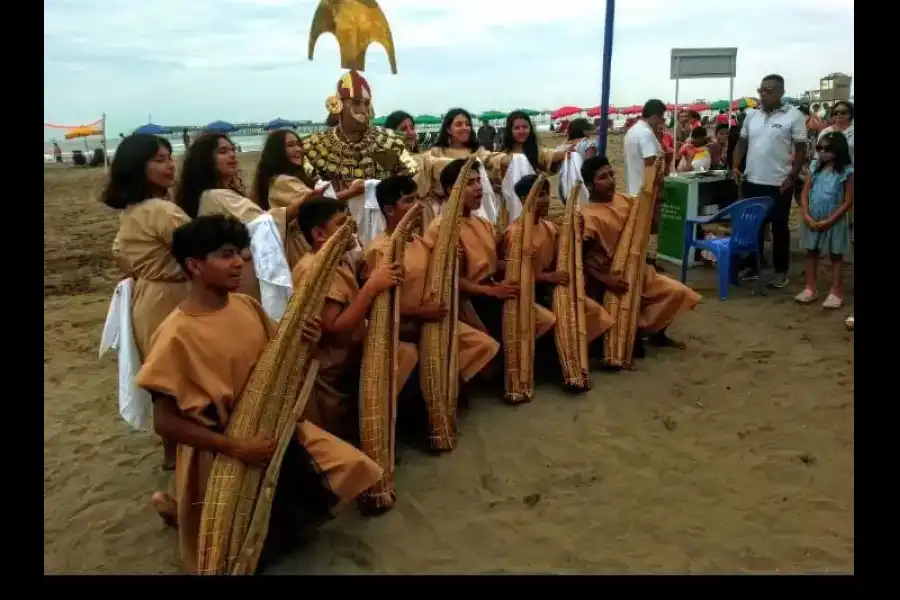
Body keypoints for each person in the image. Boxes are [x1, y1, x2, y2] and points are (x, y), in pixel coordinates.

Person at [136, 214, 383, 574]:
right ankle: (176, 509)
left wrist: (309, 346)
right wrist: (235, 447)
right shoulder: (174, 335)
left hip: (269, 428)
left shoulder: (246, 306)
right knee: (230, 546)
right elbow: (165, 422)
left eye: (242, 253)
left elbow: (277, 364)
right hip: (219, 449)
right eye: (225, 255)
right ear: (194, 266)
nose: (238, 263)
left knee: (355, 467)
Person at [291, 196, 418, 440]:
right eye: (341, 223)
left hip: (349, 357)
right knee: (342, 432)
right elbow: (335, 326)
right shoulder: (315, 269)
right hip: (333, 369)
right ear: (319, 234)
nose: (352, 227)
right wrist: (372, 287)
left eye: (350, 219)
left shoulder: (337, 259)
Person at [361, 176, 499, 395]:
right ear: (388, 209)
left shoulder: (419, 241)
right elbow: (376, 306)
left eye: (417, 198)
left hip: (432, 320)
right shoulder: (381, 251)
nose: (417, 206)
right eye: (408, 201)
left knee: (485, 345)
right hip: (402, 329)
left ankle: (450, 390)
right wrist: (421, 313)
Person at [102, 133, 191, 470]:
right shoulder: (162, 211)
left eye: (169, 157)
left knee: (164, 382)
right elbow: (198, 250)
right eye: (159, 159)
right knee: (182, 376)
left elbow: (122, 259)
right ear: (137, 167)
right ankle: (183, 458)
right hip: (172, 296)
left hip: (146, 298)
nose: (169, 165)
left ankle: (172, 454)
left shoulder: (132, 212)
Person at [428, 159, 556, 367]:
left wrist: (518, 264)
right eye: (470, 183)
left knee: (546, 320)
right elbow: (448, 280)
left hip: (494, 290)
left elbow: (494, 262)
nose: (478, 187)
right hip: (466, 301)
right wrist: (491, 292)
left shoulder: (483, 223)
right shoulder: (441, 229)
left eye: (479, 181)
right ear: (453, 189)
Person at [580, 155, 701, 353]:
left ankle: (656, 334)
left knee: (678, 292)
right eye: (603, 177)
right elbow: (581, 258)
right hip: (611, 277)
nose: (611, 180)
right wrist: (606, 279)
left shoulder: (625, 200)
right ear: (590, 185)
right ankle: (633, 333)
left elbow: (652, 229)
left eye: (612, 174)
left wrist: (657, 199)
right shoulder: (587, 215)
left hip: (640, 269)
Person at [175, 133, 302, 304]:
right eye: (223, 151)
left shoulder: (224, 193)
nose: (232, 155)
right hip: (243, 278)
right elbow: (260, 223)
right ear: (205, 160)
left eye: (233, 150)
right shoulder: (214, 196)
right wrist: (303, 204)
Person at [502, 174, 614, 353]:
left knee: (594, 311)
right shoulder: (515, 233)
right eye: (540, 195)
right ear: (525, 199)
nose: (546, 200)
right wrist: (549, 277)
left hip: (550, 289)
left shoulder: (549, 227)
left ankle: (573, 351)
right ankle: (553, 355)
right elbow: (513, 272)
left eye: (547, 194)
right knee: (549, 319)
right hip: (527, 292)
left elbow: (562, 253)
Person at [731, 74, 807, 288]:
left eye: (769, 90)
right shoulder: (751, 116)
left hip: (779, 183)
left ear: (781, 92)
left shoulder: (794, 116)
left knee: (779, 227)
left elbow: (802, 149)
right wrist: (735, 167)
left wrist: (792, 177)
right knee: (753, 226)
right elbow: (741, 144)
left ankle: (781, 271)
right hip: (752, 180)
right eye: (761, 90)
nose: (763, 94)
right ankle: (754, 265)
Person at [252, 129, 365, 268]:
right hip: (303, 248)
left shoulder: (288, 179)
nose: (298, 149)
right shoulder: (282, 181)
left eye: (299, 144)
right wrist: (352, 192)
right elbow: (319, 203)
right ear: (277, 151)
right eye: (290, 145)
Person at [300, 71, 420, 192]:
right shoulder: (313, 146)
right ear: (338, 105)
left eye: (366, 103)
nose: (363, 109)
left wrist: (381, 186)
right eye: (356, 103)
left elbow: (410, 169)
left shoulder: (389, 139)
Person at [795, 132, 854, 309]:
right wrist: (806, 214)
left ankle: (836, 292)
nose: (822, 152)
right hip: (812, 217)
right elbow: (805, 192)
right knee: (811, 252)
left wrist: (832, 219)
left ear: (838, 149)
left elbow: (848, 200)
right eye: (819, 148)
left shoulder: (847, 172)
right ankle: (810, 288)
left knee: (836, 255)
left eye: (827, 148)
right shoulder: (815, 167)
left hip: (835, 219)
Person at [416, 108, 494, 229]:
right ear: (448, 129)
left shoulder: (477, 152)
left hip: (476, 208)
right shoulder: (436, 152)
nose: (465, 128)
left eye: (468, 124)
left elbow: (493, 159)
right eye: (459, 124)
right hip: (447, 209)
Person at [623, 99, 665, 268]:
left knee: (640, 228)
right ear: (654, 116)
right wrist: (659, 186)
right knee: (649, 227)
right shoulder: (646, 133)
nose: (662, 122)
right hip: (646, 188)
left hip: (634, 187)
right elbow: (650, 163)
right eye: (662, 118)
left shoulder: (632, 131)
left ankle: (643, 262)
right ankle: (648, 263)